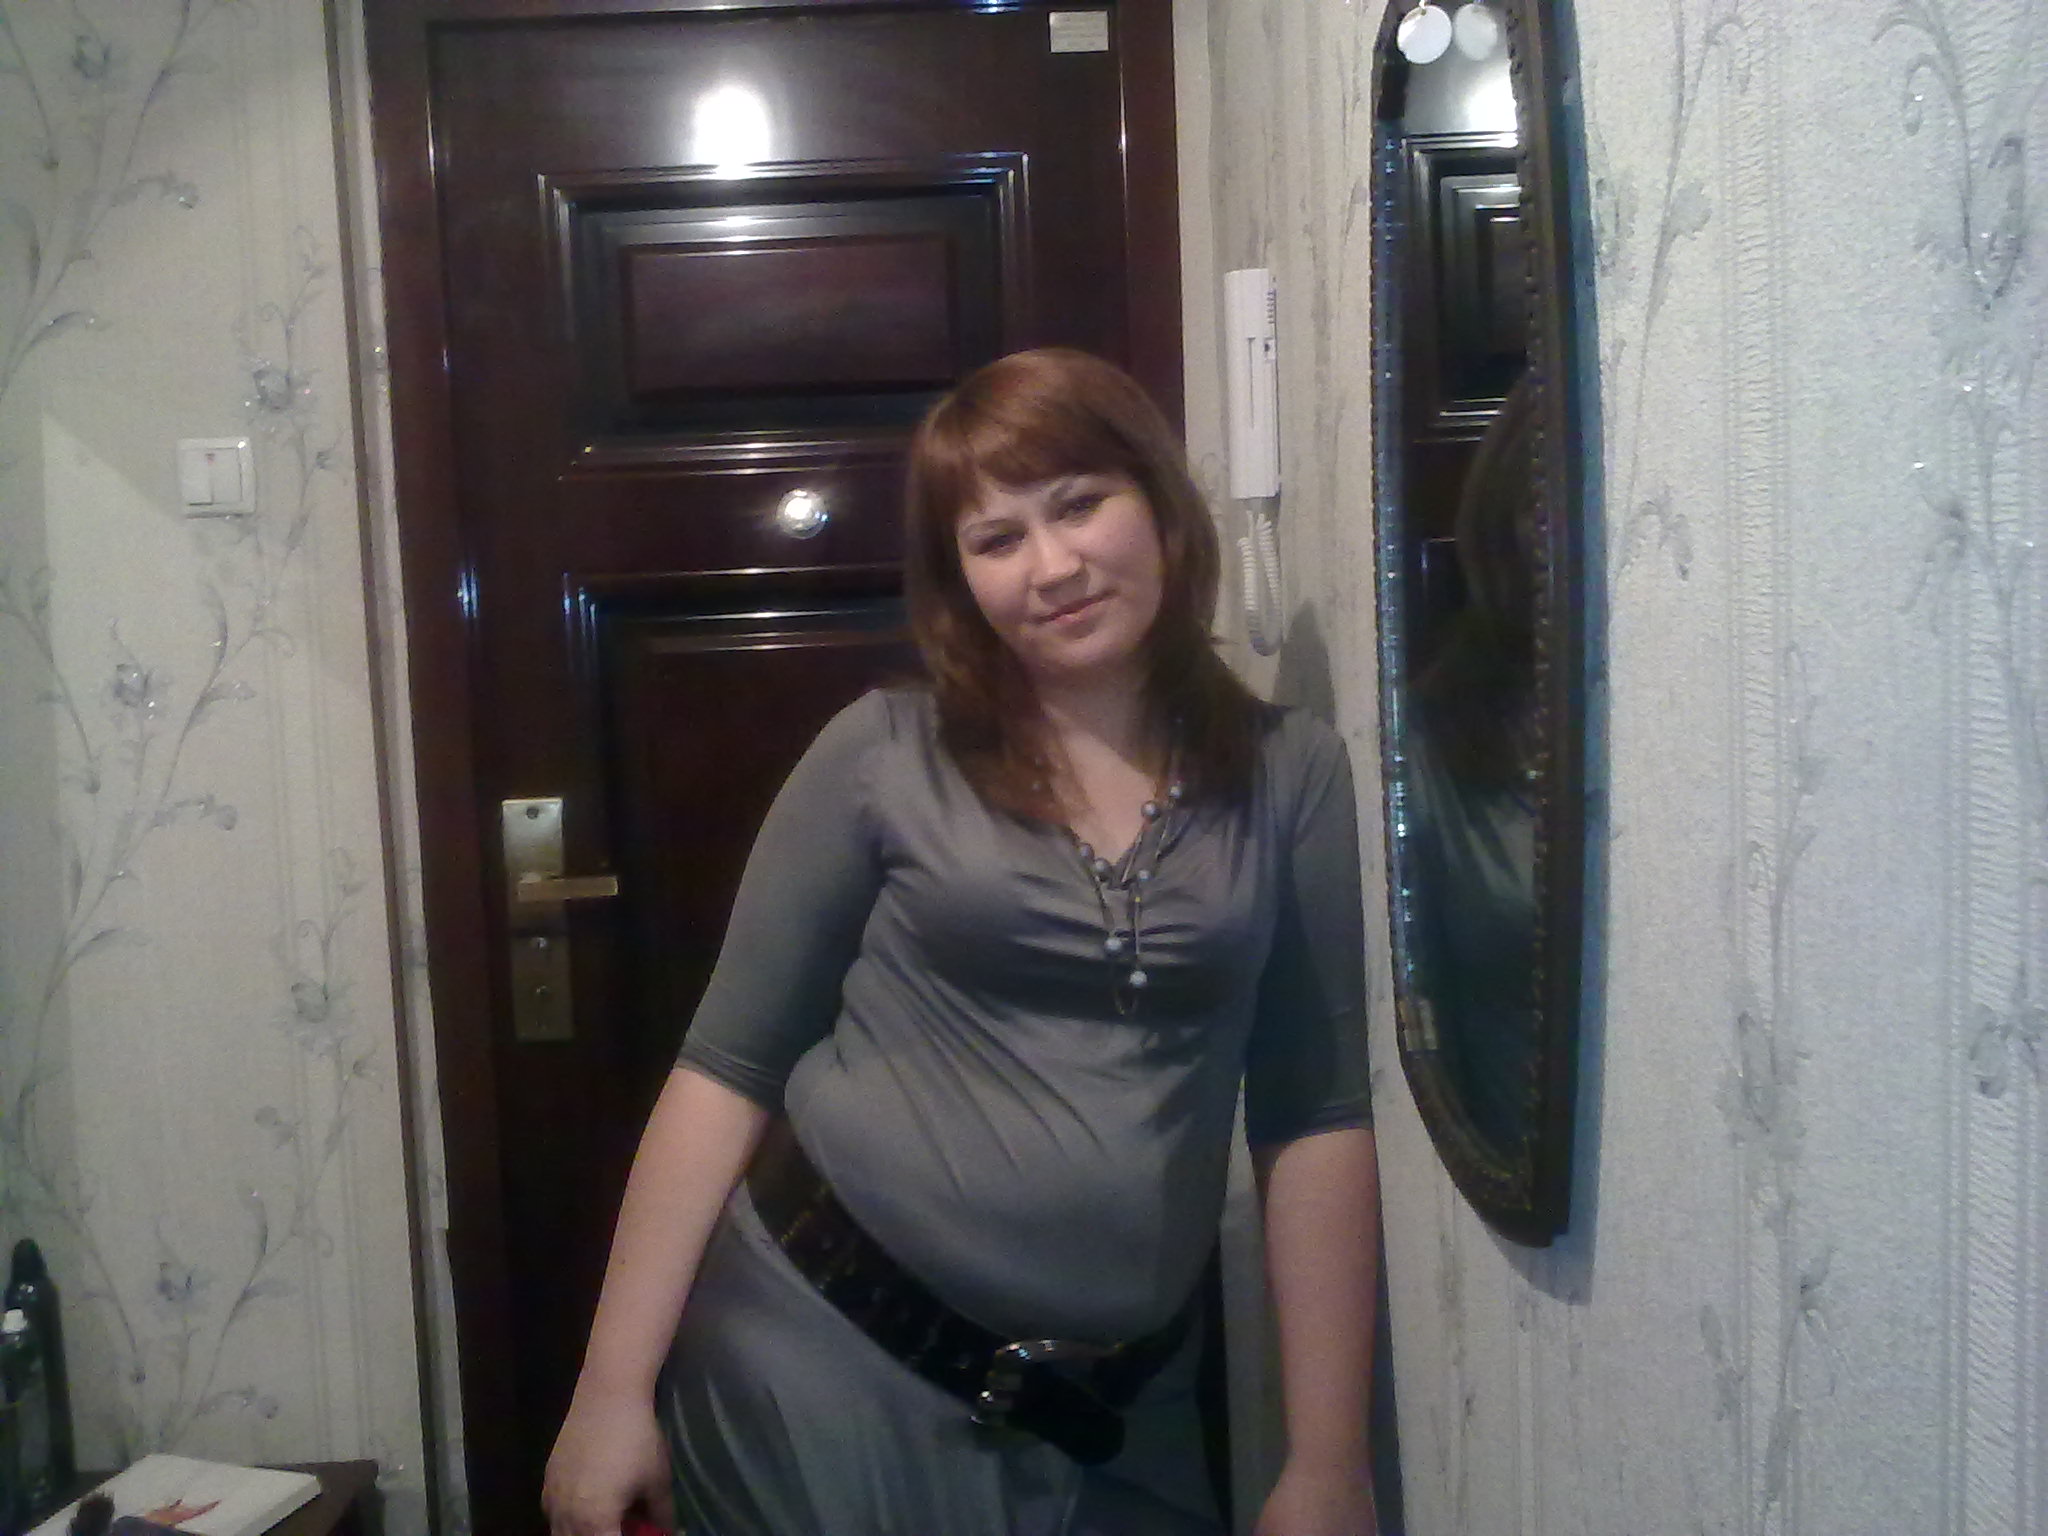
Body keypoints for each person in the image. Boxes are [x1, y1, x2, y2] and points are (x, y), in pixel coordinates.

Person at [541, 348, 1381, 1536]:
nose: (1052, 567)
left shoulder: (1292, 773)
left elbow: (1314, 1115)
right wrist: (608, 1392)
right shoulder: (881, 752)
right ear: (959, 581)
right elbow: (725, 1068)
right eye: (996, 539)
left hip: (1115, 1419)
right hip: (819, 1368)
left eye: (1079, 503)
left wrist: (1328, 1458)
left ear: (1159, 503)